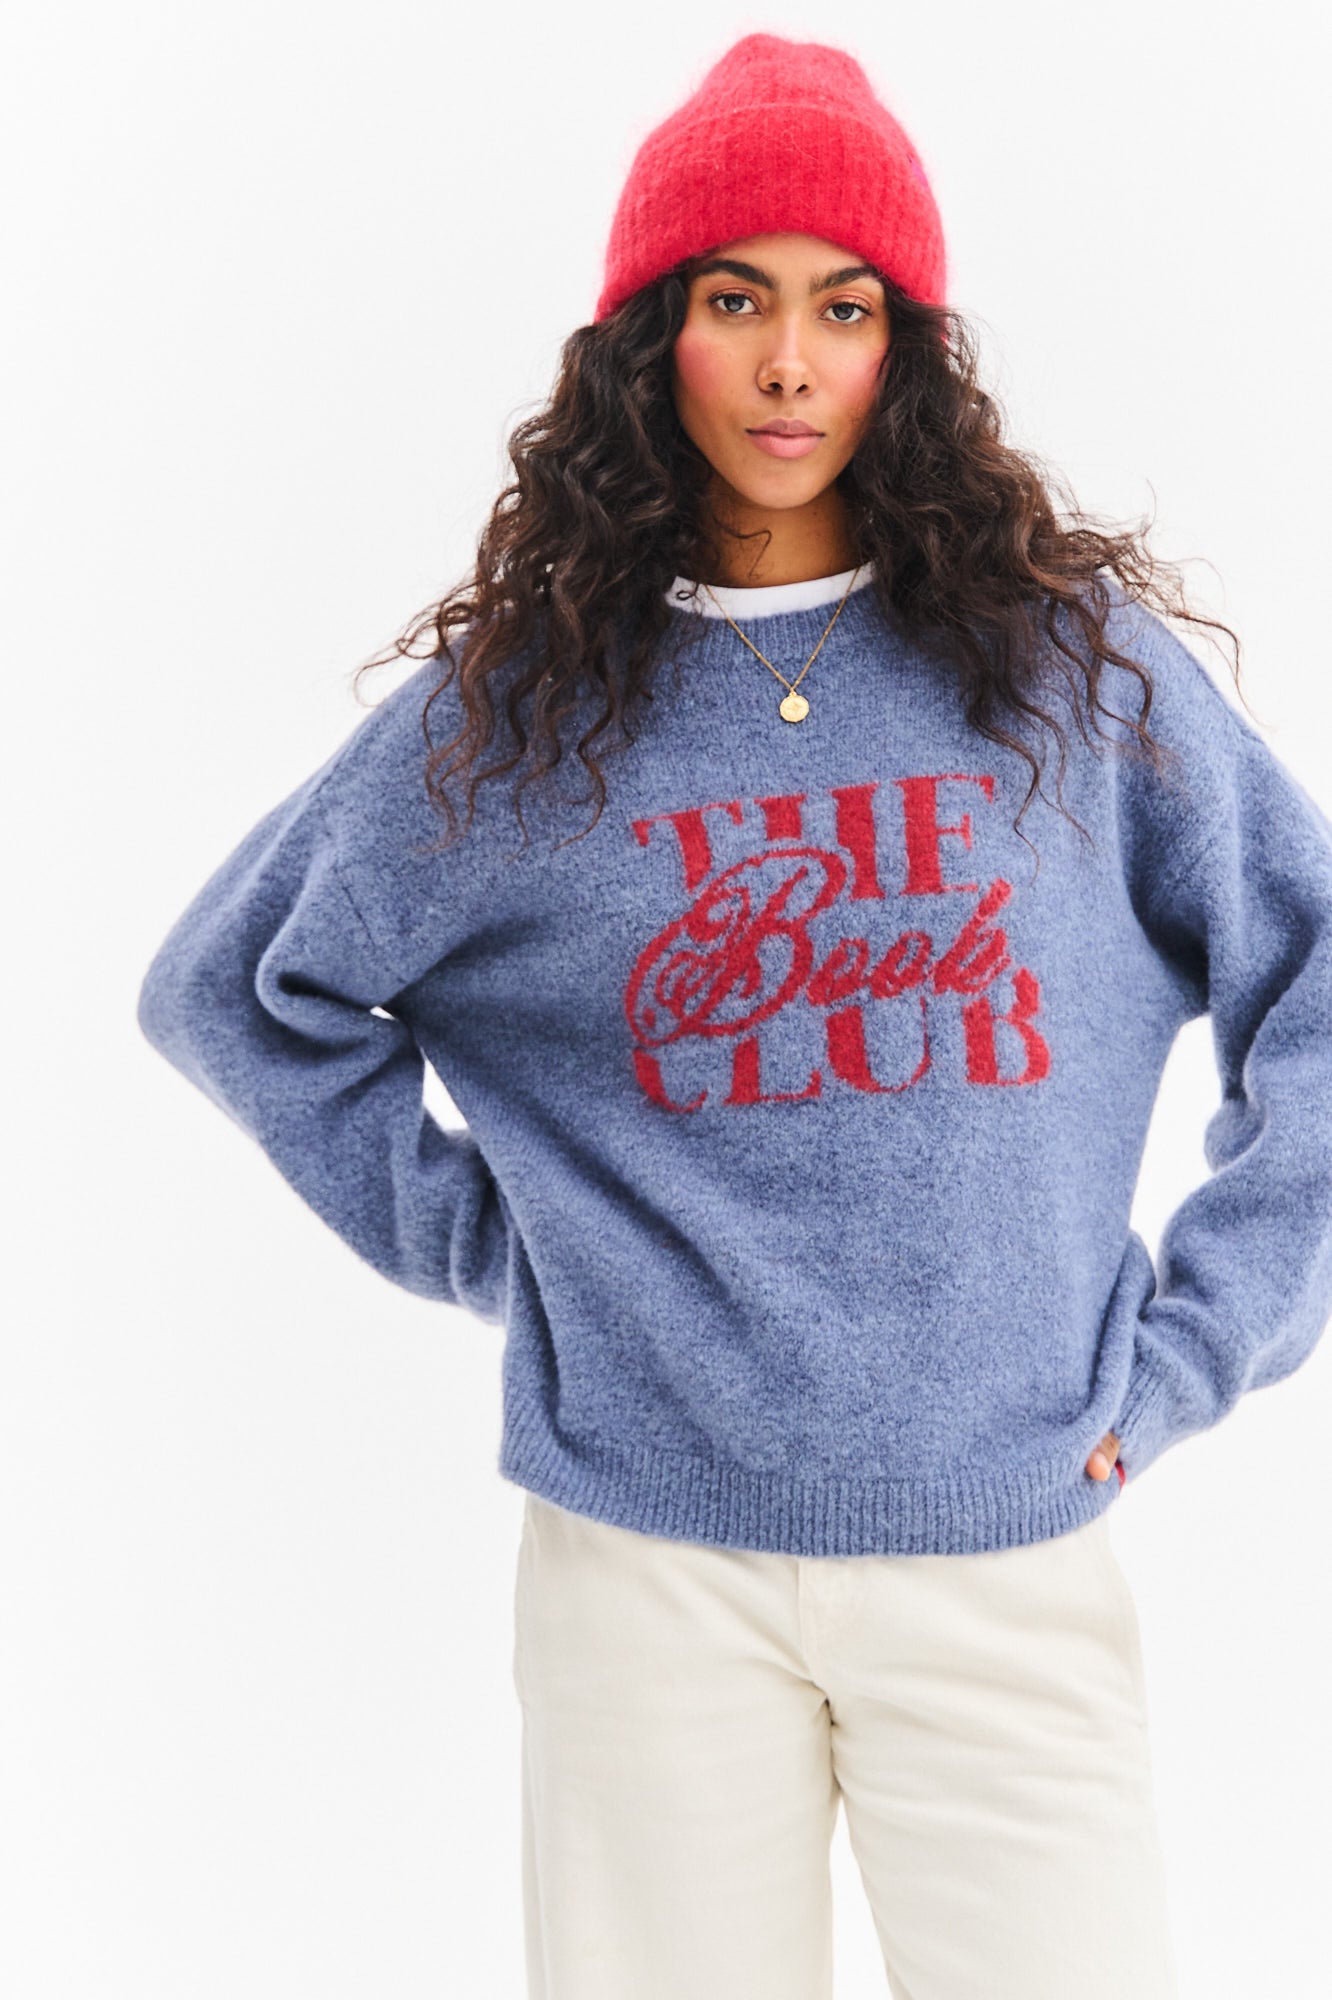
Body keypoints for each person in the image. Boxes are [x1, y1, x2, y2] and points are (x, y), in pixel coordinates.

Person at [135, 30, 1332, 2000]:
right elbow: (235, 992)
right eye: (734, 301)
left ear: (906, 351)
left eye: (844, 308)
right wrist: (522, 1260)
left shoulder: (1069, 672)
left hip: (1009, 1537)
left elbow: (1310, 968)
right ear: (650, 341)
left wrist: (1203, 1346)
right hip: (649, 1577)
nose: (789, 363)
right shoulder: (522, 716)